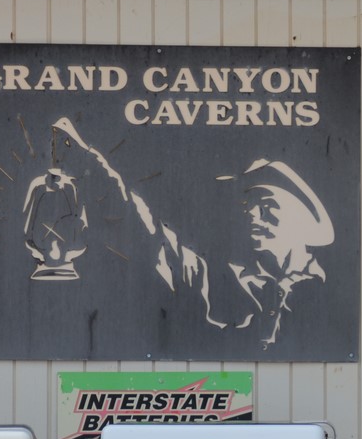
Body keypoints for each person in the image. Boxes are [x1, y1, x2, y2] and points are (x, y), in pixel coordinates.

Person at [45, 116, 334, 347]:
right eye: (249, 206)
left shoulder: (325, 284)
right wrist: (87, 166)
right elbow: (139, 229)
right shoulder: (209, 273)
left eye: (268, 206)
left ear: (301, 216)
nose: (253, 216)